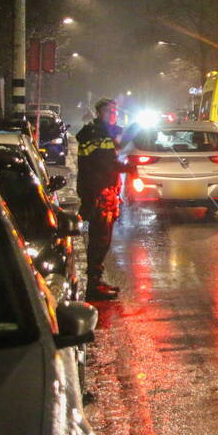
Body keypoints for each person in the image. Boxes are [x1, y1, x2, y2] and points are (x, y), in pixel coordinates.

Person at [76, 98, 125, 301]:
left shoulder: (105, 133)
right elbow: (104, 163)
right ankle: (93, 287)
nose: (112, 114)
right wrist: (128, 168)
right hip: (98, 195)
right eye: (108, 111)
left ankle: (96, 280)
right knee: (99, 240)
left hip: (106, 193)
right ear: (99, 112)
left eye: (114, 111)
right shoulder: (94, 134)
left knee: (103, 241)